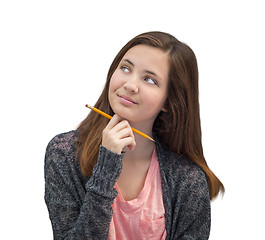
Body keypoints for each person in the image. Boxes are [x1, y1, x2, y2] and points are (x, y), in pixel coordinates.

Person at [44, 31, 225, 240]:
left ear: (169, 101)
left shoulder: (188, 180)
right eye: (125, 68)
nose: (129, 85)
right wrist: (106, 166)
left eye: (149, 79)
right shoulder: (63, 153)